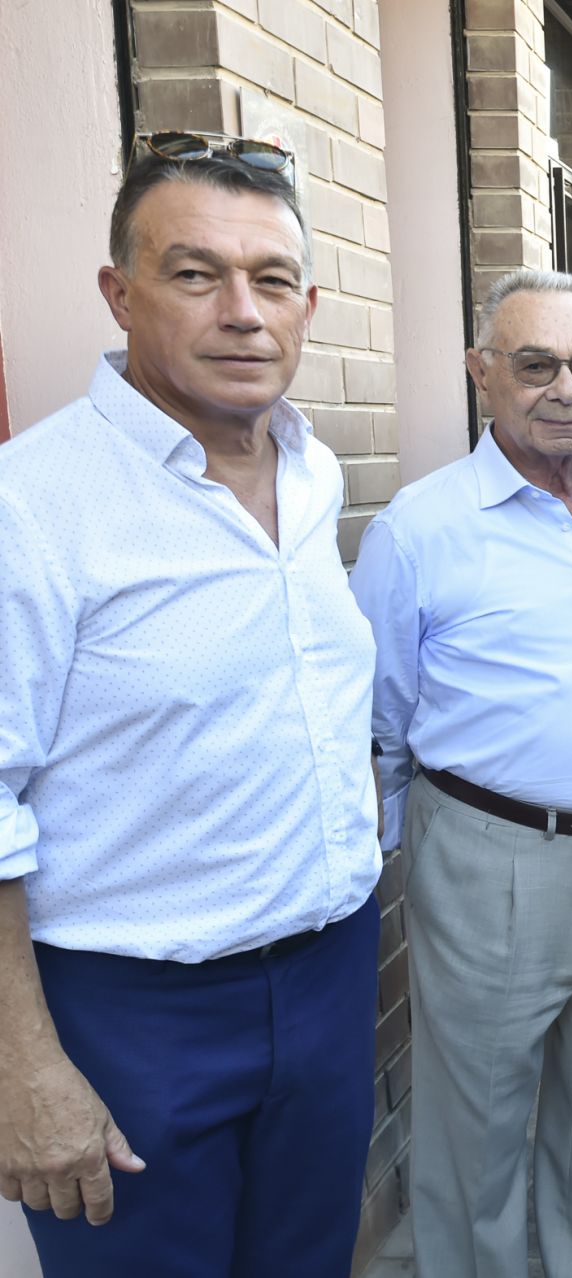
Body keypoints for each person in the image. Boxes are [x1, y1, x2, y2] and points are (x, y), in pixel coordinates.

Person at [0, 134, 381, 1275]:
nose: (242, 313)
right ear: (120, 294)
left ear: (308, 305)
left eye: (271, 280)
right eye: (195, 273)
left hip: (324, 977)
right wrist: (21, 1060)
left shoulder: (315, 476)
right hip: (128, 1017)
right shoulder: (33, 503)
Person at [351, 270, 572, 1278]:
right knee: (477, 1130)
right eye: (534, 364)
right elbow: (384, 717)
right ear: (481, 374)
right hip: (491, 859)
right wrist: (424, 851)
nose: (565, 388)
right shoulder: (419, 530)